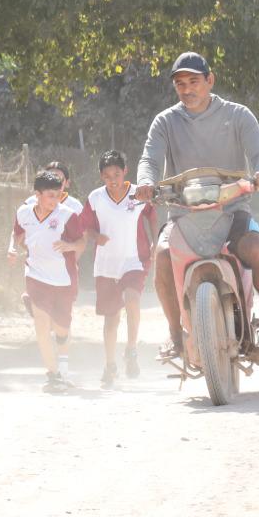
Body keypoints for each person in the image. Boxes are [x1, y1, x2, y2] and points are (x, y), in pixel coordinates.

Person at [134, 52, 259, 354]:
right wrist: (145, 182)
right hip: (183, 214)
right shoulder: (165, 121)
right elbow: (149, 159)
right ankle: (175, 334)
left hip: (233, 211)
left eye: (194, 81)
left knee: (258, 248)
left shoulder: (238, 115)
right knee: (162, 256)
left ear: (210, 80)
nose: (187, 89)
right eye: (180, 84)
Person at [82, 150, 156, 388]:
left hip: (134, 260)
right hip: (106, 265)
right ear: (101, 177)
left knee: (132, 299)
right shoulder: (95, 198)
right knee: (111, 319)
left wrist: (155, 242)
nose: (112, 180)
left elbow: (152, 214)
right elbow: (86, 228)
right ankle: (110, 365)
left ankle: (131, 350)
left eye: (116, 174)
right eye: (107, 176)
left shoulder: (138, 193)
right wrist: (96, 237)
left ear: (125, 171)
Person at [9, 170, 86, 392]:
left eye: (58, 195)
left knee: (62, 329)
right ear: (38, 195)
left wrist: (69, 246)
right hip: (36, 276)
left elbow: (81, 242)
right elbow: (17, 234)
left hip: (63, 279)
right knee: (41, 326)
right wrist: (14, 248)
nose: (55, 200)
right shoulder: (24, 212)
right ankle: (53, 375)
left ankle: (63, 371)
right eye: (50, 195)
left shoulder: (68, 215)